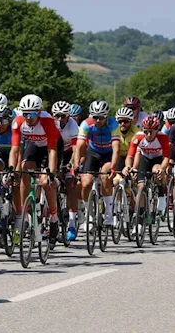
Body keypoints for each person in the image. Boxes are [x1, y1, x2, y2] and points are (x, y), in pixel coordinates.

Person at [9, 94, 61, 247]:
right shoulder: (18, 122)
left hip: (49, 147)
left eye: (31, 114)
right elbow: (15, 150)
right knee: (24, 171)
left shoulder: (47, 122)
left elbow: (52, 151)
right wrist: (12, 170)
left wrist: (51, 173)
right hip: (32, 145)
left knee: (46, 181)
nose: (28, 117)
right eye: (25, 113)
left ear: (38, 112)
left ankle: (53, 217)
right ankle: (26, 211)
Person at [72, 100, 121, 231]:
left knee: (105, 177)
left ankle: (109, 215)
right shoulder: (86, 124)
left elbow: (116, 148)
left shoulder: (113, 124)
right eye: (95, 117)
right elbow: (80, 145)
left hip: (108, 153)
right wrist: (76, 165)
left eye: (101, 118)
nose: (98, 121)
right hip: (93, 152)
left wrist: (113, 167)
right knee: (86, 182)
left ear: (107, 116)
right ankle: (89, 216)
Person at [51, 101, 80, 240]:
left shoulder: (73, 126)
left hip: (68, 152)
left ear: (68, 116)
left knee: (70, 183)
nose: (60, 119)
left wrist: (72, 166)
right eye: (57, 116)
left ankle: (73, 223)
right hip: (54, 151)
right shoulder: (51, 124)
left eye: (63, 116)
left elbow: (76, 149)